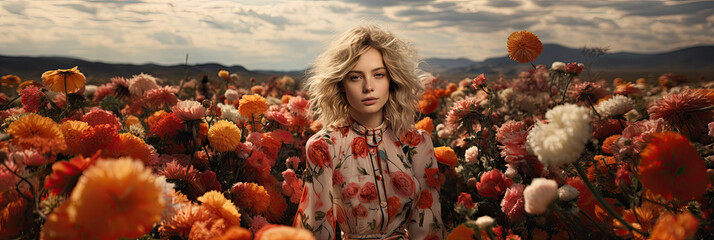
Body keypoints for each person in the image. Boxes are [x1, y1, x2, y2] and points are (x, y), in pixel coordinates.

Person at [295, 25, 445, 240]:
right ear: (341, 85)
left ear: (391, 79)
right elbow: (316, 227)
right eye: (355, 77)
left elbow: (429, 225)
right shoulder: (324, 146)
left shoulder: (417, 144)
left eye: (378, 75)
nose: (368, 87)